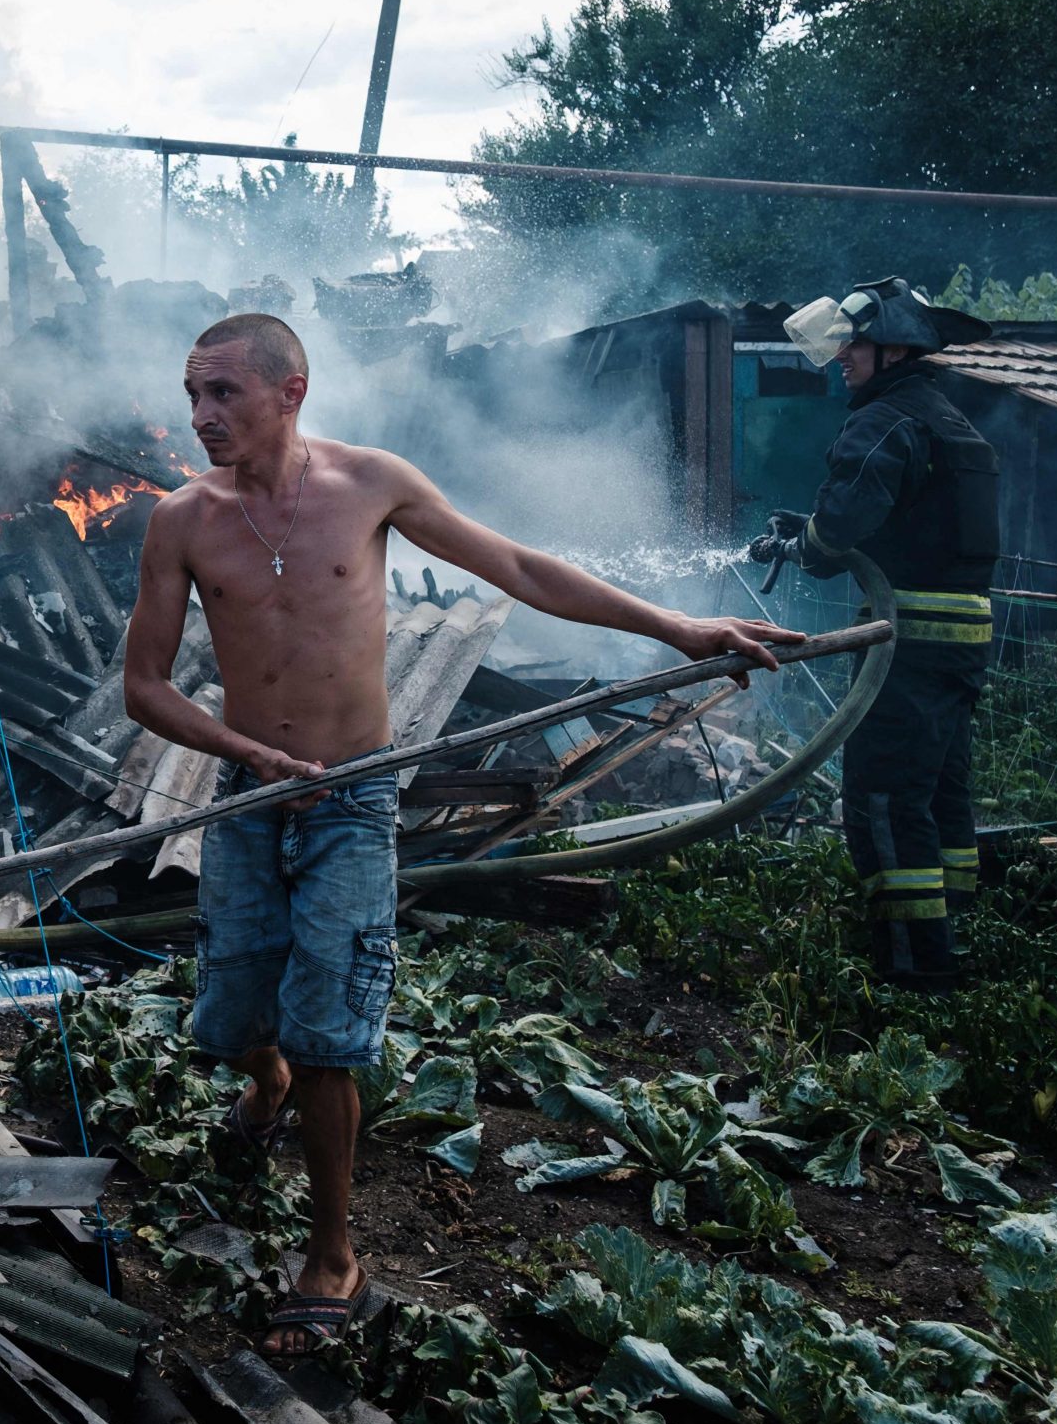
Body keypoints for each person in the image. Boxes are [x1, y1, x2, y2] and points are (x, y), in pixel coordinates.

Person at [122, 311, 800, 1354]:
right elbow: (145, 686)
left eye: (225, 394)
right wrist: (247, 755)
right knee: (234, 1020)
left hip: (352, 797)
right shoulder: (181, 519)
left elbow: (521, 570)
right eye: (194, 396)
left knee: (329, 1026)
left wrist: (679, 627)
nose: (204, 417)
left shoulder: (370, 486)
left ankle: (333, 1251)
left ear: (290, 391)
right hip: (249, 798)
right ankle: (265, 1088)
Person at [750, 277, 997, 990]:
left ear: (894, 348)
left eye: (852, 344)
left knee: (885, 797)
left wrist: (810, 546)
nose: (840, 359)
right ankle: (955, 937)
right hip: (960, 639)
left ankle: (913, 970)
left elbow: (842, 529)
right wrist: (817, 535)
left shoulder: (882, 420)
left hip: (904, 641)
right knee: (939, 792)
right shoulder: (948, 420)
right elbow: (903, 519)